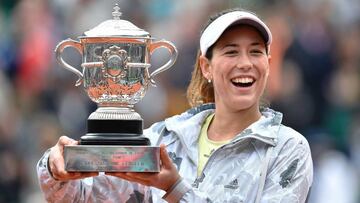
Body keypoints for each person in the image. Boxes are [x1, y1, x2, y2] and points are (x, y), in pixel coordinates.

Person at [37, 8, 313, 203]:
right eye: (231, 51)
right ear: (206, 67)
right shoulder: (164, 139)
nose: (245, 63)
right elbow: (85, 198)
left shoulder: (286, 148)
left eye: (256, 51)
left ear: (267, 63)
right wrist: (55, 168)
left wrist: (175, 189)